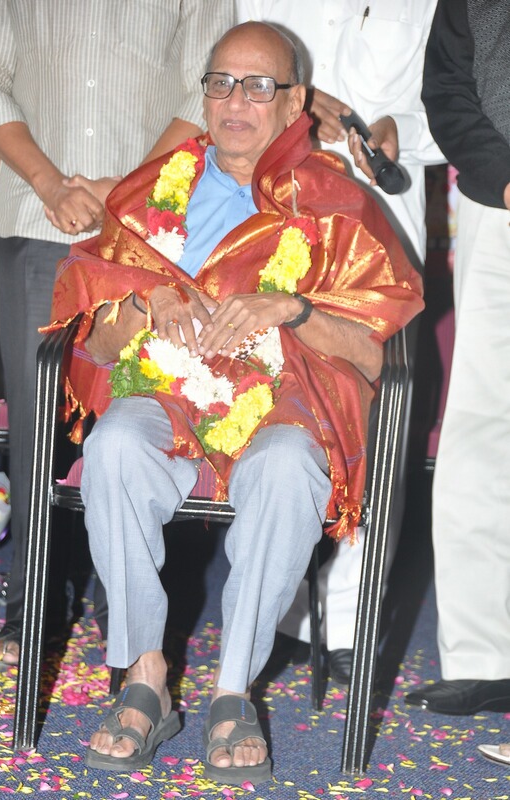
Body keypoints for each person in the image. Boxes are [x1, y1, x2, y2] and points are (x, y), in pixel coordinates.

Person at [44, 21, 423, 783]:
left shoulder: (338, 202)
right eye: (221, 82)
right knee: (114, 444)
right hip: (163, 391)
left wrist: (294, 311)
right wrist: (139, 298)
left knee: (286, 469)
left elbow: (376, 352)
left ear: (295, 104)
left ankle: (231, 692)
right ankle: (146, 674)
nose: (236, 101)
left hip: (290, 399)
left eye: (259, 86)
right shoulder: (149, 192)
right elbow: (97, 340)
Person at [0, 0, 235, 669]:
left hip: (157, 231)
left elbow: (208, 81)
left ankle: (128, 620)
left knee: (137, 412)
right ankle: (31, 613)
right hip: (36, 223)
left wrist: (127, 190)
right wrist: (45, 182)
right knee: (38, 428)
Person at [235, 0, 443, 685]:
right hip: (275, 225)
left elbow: (457, 107)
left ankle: (351, 619)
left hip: (381, 233)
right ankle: (287, 609)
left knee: (377, 420)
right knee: (280, 411)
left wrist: (398, 131)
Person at [404, 0, 510, 717]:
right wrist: (501, 176)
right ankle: (484, 657)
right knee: (479, 422)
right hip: (497, 206)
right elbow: (445, 85)